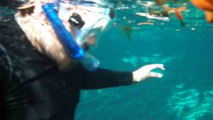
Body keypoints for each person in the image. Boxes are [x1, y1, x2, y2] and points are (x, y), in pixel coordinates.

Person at [0, 0, 165, 120]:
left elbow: (79, 77)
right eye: (90, 30)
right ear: (46, 10)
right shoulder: (5, 54)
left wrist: (132, 77)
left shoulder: (59, 55)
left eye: (98, 33)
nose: (93, 42)